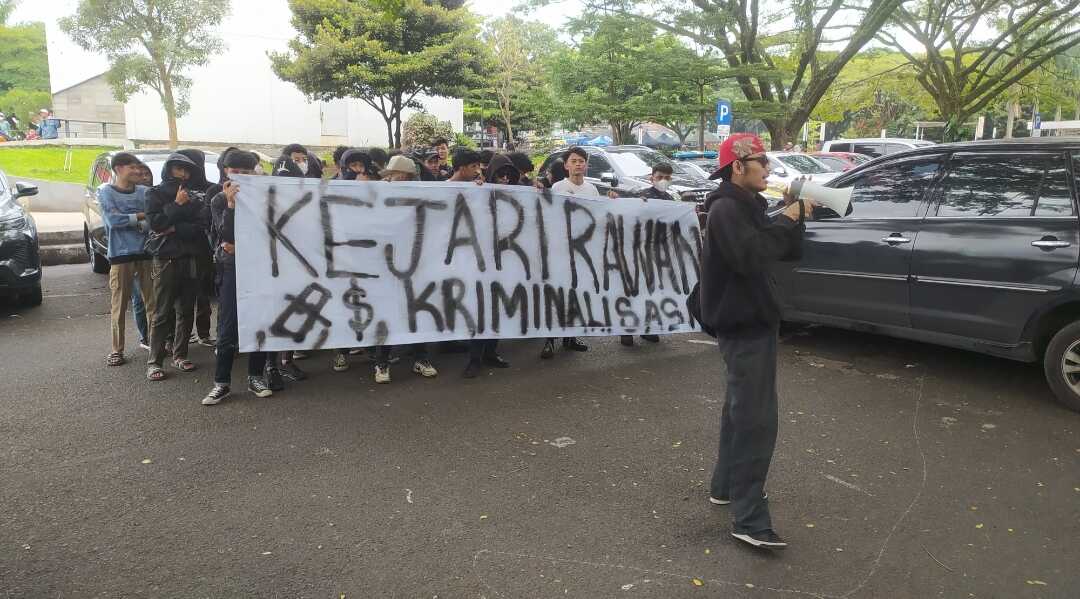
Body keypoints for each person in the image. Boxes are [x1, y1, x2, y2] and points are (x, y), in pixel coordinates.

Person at [700, 133, 813, 550]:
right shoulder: (728, 209)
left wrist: (793, 218)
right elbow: (749, 257)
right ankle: (748, 519)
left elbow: (776, 252)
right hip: (744, 325)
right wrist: (787, 219)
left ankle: (725, 487)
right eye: (761, 162)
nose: (768, 168)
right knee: (756, 420)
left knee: (740, 410)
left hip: (750, 322)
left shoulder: (745, 207)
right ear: (737, 167)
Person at [201, 150, 274, 405]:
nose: (241, 176)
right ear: (226, 172)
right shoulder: (219, 199)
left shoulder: (265, 198)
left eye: (247, 171)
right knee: (228, 326)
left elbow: (269, 235)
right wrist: (232, 205)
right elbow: (227, 237)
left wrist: (242, 245)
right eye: (236, 171)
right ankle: (222, 382)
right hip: (231, 268)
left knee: (259, 322)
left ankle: (256, 376)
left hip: (260, 267)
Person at [366, 156, 439, 384]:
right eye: (389, 175)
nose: (389, 178)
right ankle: (382, 362)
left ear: (405, 176)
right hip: (385, 265)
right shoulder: (378, 194)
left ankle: (421, 358)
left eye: (394, 174)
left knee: (417, 312)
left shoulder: (420, 193)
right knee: (387, 313)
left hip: (416, 264)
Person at [144, 153, 206, 381]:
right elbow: (156, 224)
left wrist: (172, 226)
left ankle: (180, 354)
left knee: (186, 310)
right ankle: (154, 361)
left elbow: (200, 226)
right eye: (179, 168)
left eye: (187, 170)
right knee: (162, 312)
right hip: (165, 259)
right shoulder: (155, 193)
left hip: (190, 257)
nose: (184, 173)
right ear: (169, 169)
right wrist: (177, 206)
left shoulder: (196, 196)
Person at [97, 152, 158, 367]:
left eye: (138, 168)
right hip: (120, 256)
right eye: (132, 167)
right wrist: (141, 216)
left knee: (153, 303)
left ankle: (156, 345)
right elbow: (113, 221)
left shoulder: (144, 192)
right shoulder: (105, 192)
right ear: (119, 169)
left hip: (146, 253)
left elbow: (154, 219)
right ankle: (117, 350)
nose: (137, 171)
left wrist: (134, 219)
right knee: (119, 304)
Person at [269, 143, 321, 381]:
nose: (301, 162)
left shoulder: (310, 192)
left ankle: (286, 360)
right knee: (272, 313)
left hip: (301, 262)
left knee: (295, 309)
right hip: (274, 265)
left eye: (303, 159)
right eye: (296, 159)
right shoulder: (264, 195)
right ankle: (271, 364)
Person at [462, 154, 517, 379]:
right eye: (500, 175)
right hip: (480, 263)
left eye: (508, 176)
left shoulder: (518, 193)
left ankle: (490, 353)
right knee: (480, 311)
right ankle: (474, 358)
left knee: (497, 312)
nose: (504, 180)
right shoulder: (478, 191)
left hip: (506, 263)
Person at [175, 149, 216, 349]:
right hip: (180, 249)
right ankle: (181, 337)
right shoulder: (174, 188)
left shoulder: (211, 188)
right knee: (181, 297)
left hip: (205, 248)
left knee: (204, 293)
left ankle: (204, 332)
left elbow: (209, 220)